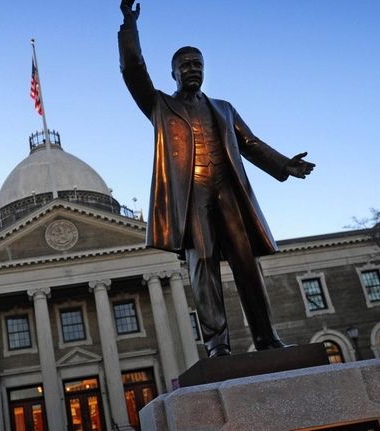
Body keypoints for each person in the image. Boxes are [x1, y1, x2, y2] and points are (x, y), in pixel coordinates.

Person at [118, 0, 316, 358]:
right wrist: (129, 26)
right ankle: (217, 346)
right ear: (173, 73)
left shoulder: (223, 108)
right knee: (204, 263)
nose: (193, 70)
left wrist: (285, 165)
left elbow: (250, 144)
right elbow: (133, 69)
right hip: (191, 193)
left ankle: (266, 337)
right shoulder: (160, 105)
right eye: (185, 66)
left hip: (228, 191)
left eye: (198, 64)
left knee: (246, 264)